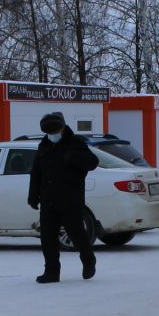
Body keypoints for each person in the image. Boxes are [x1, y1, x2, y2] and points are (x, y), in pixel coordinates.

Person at [28, 111, 98, 283]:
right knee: (47, 237)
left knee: (77, 234)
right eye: (48, 133)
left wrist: (74, 157)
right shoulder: (43, 146)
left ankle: (88, 260)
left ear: (62, 127)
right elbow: (36, 173)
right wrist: (33, 195)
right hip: (48, 199)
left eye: (54, 132)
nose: (52, 136)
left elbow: (93, 162)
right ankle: (51, 272)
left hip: (70, 199)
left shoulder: (76, 143)